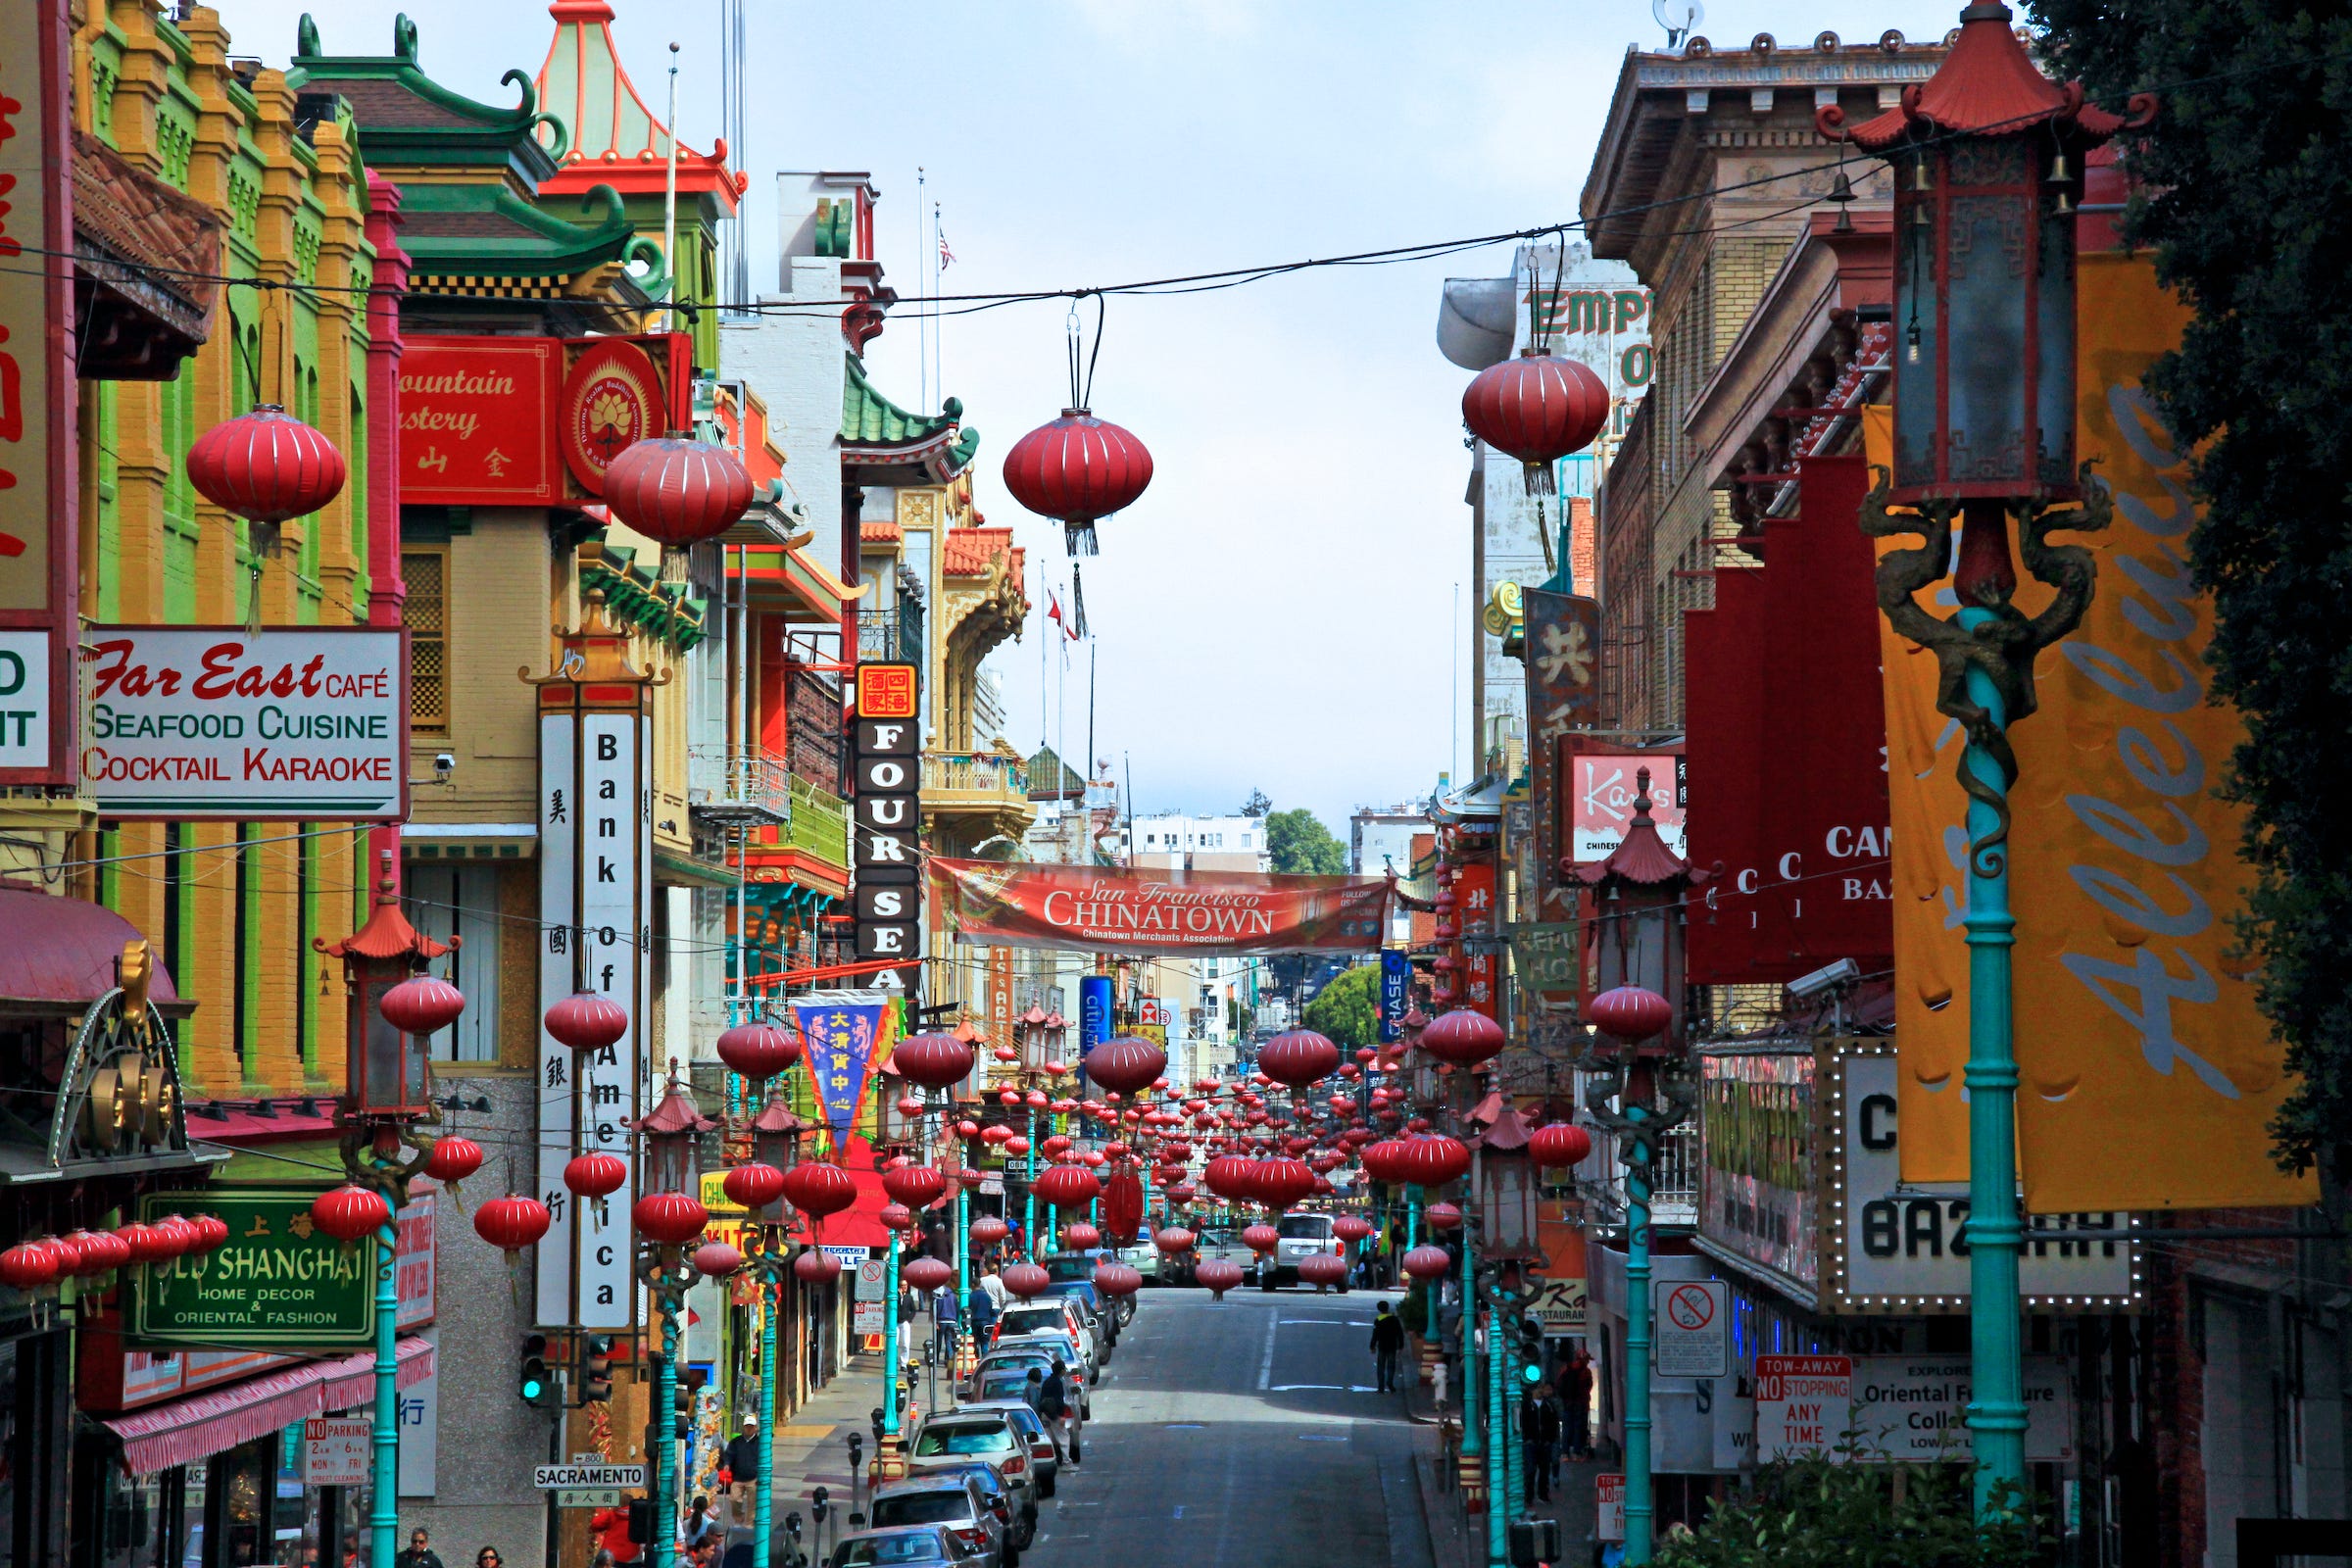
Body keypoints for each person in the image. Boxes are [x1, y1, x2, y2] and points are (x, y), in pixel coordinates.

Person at [1521, 1383, 1562, 1503]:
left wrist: (1550, 1440)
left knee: (1544, 1470)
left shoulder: (1548, 1405)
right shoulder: (1527, 1405)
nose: (1539, 1392)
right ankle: (1529, 1496)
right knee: (1530, 1470)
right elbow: (1522, 1421)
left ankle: (1542, 1494)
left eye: (1541, 1389)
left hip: (1544, 1443)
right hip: (1531, 1442)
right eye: (1537, 1389)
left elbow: (1554, 1422)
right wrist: (1526, 1438)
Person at [720, 1415, 760, 1526]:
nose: (749, 1429)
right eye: (747, 1426)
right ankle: (738, 1518)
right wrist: (727, 1464)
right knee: (734, 1499)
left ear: (755, 1428)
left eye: (751, 1427)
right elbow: (729, 1454)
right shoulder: (736, 1442)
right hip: (738, 1477)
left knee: (752, 1504)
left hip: (753, 1478)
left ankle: (749, 1524)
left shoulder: (759, 1443)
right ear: (743, 1427)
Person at [1035, 1357, 1071, 1464]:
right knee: (1064, 1437)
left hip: (1045, 1414)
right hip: (1054, 1415)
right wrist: (1060, 1416)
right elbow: (1058, 1401)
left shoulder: (1047, 1382)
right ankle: (1067, 1461)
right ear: (1061, 1371)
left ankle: (1049, 1461)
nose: (1065, 1371)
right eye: (1064, 1369)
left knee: (1048, 1439)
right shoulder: (1057, 1383)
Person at [1561, 1348, 1594, 1459]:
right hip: (1581, 1402)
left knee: (1567, 1427)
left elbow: (1558, 1384)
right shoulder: (1586, 1371)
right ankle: (1576, 1452)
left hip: (1567, 1402)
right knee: (1578, 1427)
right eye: (1587, 1360)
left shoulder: (1566, 1368)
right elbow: (1588, 1386)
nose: (1588, 1362)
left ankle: (1565, 1452)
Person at [1369, 1299, 1406, 1393]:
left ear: (1379, 1309)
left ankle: (1380, 1387)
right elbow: (1400, 1333)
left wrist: (1372, 1346)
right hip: (1392, 1345)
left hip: (1382, 1346)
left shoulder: (1378, 1320)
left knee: (1381, 1366)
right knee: (1391, 1365)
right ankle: (1390, 1382)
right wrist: (1401, 1345)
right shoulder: (1394, 1319)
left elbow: (1375, 1335)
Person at [932, 1280, 959, 1358]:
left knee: (938, 1341)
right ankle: (949, 1359)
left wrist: (936, 1321)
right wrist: (956, 1319)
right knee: (949, 1341)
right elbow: (957, 1308)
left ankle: (935, 1358)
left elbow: (936, 1309)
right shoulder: (954, 1296)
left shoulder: (939, 1296)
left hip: (941, 1320)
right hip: (952, 1320)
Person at [966, 1280, 998, 1344]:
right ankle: (984, 1353)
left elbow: (969, 1308)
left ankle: (977, 1351)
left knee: (976, 1340)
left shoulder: (971, 1296)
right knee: (985, 1341)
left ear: (973, 1285)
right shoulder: (986, 1296)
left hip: (975, 1321)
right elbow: (990, 1308)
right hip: (985, 1321)